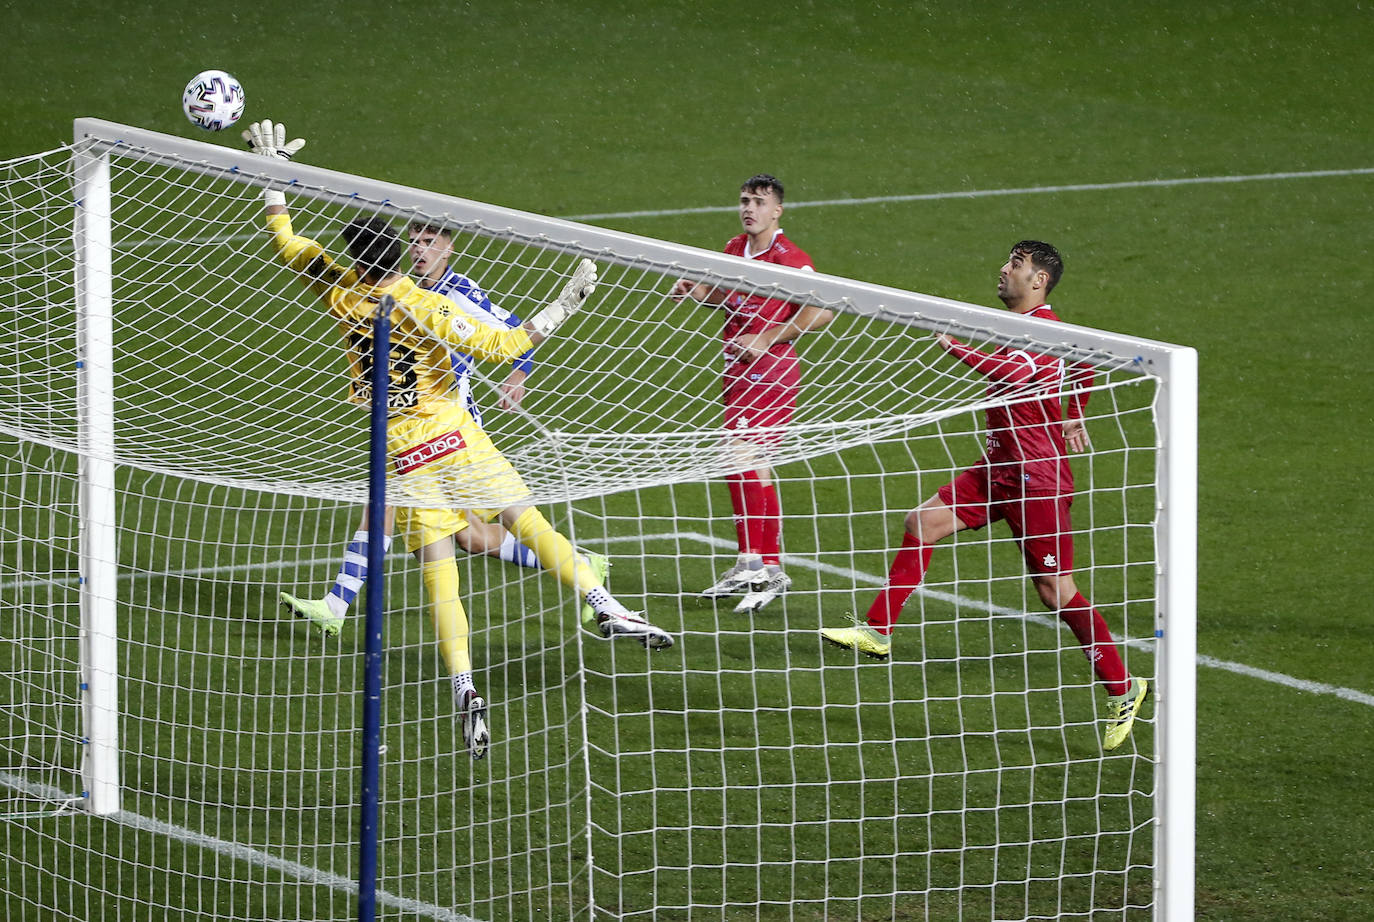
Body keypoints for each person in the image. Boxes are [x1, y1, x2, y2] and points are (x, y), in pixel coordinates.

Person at [246, 120, 674, 761]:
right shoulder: (425, 305)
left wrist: (273, 174)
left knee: (440, 573)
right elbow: (506, 345)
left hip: (399, 452)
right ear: (397, 259)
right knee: (526, 524)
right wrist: (566, 303)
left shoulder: (341, 295)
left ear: (357, 262)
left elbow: (286, 241)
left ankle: (464, 683)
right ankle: (601, 601)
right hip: (456, 436)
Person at [819, 241, 1148, 751]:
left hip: (1037, 481)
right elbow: (1083, 362)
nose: (1003, 269)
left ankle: (1124, 687)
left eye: (1015, 264)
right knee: (921, 521)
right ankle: (878, 630)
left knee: (1056, 593)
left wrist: (956, 347)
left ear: (1038, 280)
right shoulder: (1032, 329)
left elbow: (1015, 374)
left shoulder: (1042, 330)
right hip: (996, 467)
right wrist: (1076, 408)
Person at [280, 221, 608, 634]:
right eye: (414, 242)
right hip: (416, 422)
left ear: (448, 248)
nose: (420, 250)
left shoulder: (459, 293)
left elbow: (510, 328)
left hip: (451, 422)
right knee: (468, 536)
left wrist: (519, 373)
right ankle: (581, 564)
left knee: (385, 508)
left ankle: (335, 605)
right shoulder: (400, 291)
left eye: (430, 242)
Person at [670, 174, 834, 613]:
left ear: (777, 211)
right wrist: (694, 290)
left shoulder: (789, 258)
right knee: (753, 465)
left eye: (760, 203)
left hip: (772, 372)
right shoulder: (732, 249)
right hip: (737, 372)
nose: (750, 209)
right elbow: (721, 296)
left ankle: (750, 561)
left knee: (737, 456)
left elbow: (823, 309)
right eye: (745, 200)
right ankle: (769, 567)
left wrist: (769, 337)